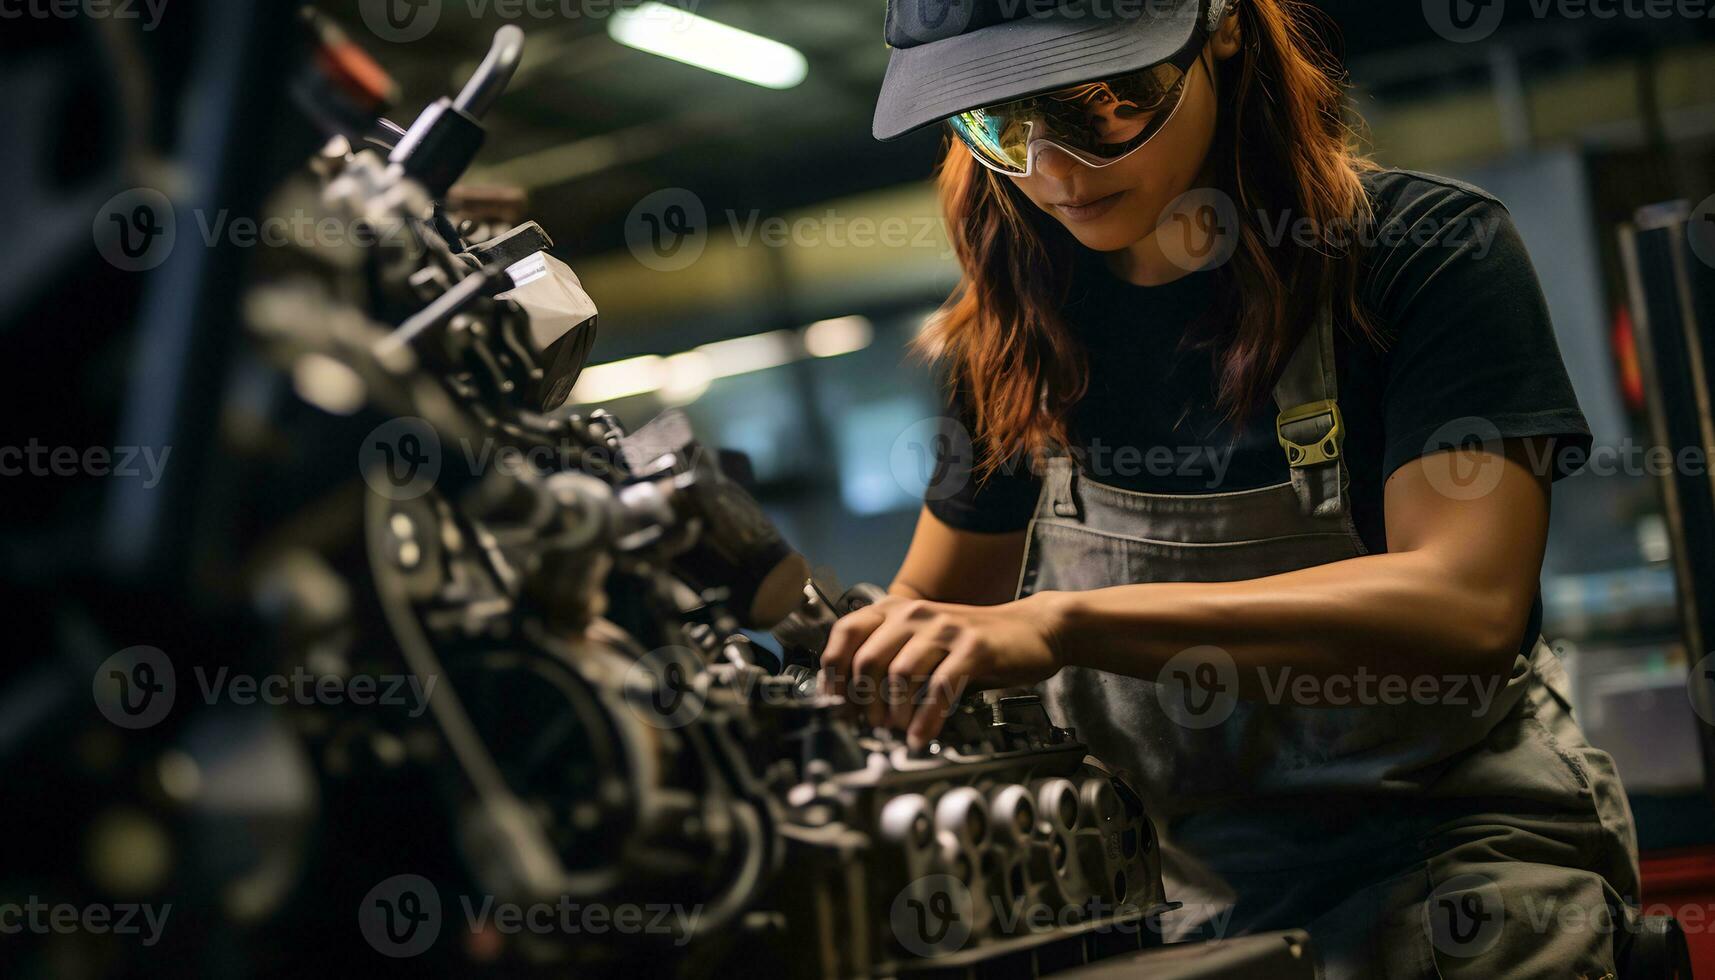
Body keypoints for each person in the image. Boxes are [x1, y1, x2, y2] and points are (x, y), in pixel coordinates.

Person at [821, 0, 1643, 975]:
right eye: (997, 123)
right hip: (1172, 889)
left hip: (1452, 853)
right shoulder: (1016, 337)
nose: (1050, 170)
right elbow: (935, 610)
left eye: (1097, 103)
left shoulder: (1422, 257)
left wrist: (1064, 621)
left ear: (1217, 31)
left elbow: (1464, 603)